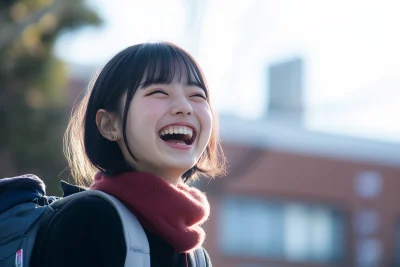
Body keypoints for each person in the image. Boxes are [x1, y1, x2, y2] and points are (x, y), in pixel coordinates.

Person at [31, 42, 226, 267]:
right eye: (159, 92)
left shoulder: (197, 257)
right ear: (109, 125)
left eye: (197, 96)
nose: (185, 107)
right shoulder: (88, 220)